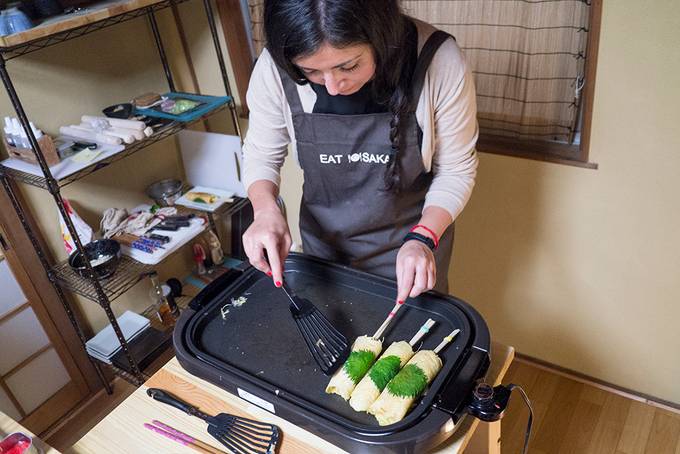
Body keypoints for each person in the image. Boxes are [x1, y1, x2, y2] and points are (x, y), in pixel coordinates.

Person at [241, 0, 478, 302]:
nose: (332, 86)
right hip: (323, 253)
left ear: (380, 36)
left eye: (348, 66)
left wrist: (423, 237)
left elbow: (456, 170)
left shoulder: (438, 61)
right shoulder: (276, 65)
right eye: (311, 71)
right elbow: (261, 153)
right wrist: (265, 211)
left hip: (411, 249)